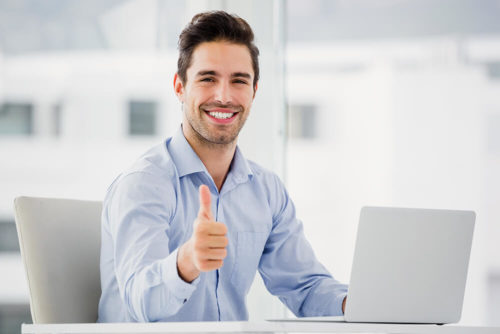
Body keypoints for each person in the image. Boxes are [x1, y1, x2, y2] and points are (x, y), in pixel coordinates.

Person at [98, 10, 347, 322]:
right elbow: (139, 301)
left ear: (254, 91)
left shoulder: (266, 190)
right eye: (207, 78)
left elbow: (305, 287)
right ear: (179, 87)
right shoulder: (144, 182)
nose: (224, 96)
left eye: (239, 81)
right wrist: (186, 262)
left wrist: (354, 303)